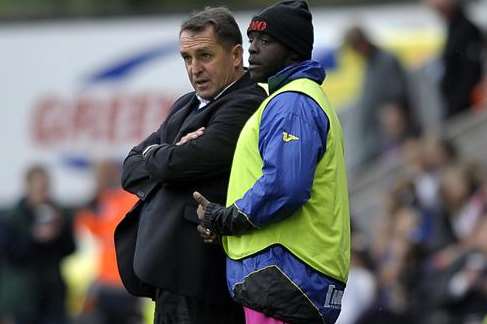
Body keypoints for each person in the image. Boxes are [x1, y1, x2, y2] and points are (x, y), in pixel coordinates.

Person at [194, 1, 351, 323]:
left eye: (265, 42)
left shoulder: (292, 103)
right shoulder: (292, 98)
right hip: (288, 273)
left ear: (292, 50)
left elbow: (285, 187)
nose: (252, 50)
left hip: (288, 273)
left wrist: (226, 219)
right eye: (251, 41)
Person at [114, 7, 266, 324]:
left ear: (236, 55)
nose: (195, 68)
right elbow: (129, 169)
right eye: (187, 58)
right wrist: (168, 153)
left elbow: (185, 162)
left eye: (205, 55)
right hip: (168, 278)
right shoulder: (185, 103)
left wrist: (160, 155)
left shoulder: (246, 102)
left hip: (205, 279)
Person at [0, 165, 75, 324]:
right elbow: (10, 255)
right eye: (39, 188)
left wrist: (59, 232)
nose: (43, 193)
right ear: (28, 187)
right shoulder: (11, 217)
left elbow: (70, 249)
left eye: (46, 187)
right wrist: (34, 238)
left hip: (53, 297)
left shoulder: (58, 213)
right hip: (23, 299)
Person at [75, 160, 142, 324]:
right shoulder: (98, 202)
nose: (101, 178)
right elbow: (86, 230)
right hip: (104, 282)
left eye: (105, 173)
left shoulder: (130, 198)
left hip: (127, 282)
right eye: (99, 175)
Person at [344, 26, 416, 167]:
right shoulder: (370, 65)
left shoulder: (386, 61)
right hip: (377, 139)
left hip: (393, 137)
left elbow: (396, 99)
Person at [425, 0, 483, 119]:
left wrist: (456, 106)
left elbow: (470, 75)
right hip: (454, 107)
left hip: (466, 111)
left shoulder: (467, 30)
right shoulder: (452, 28)